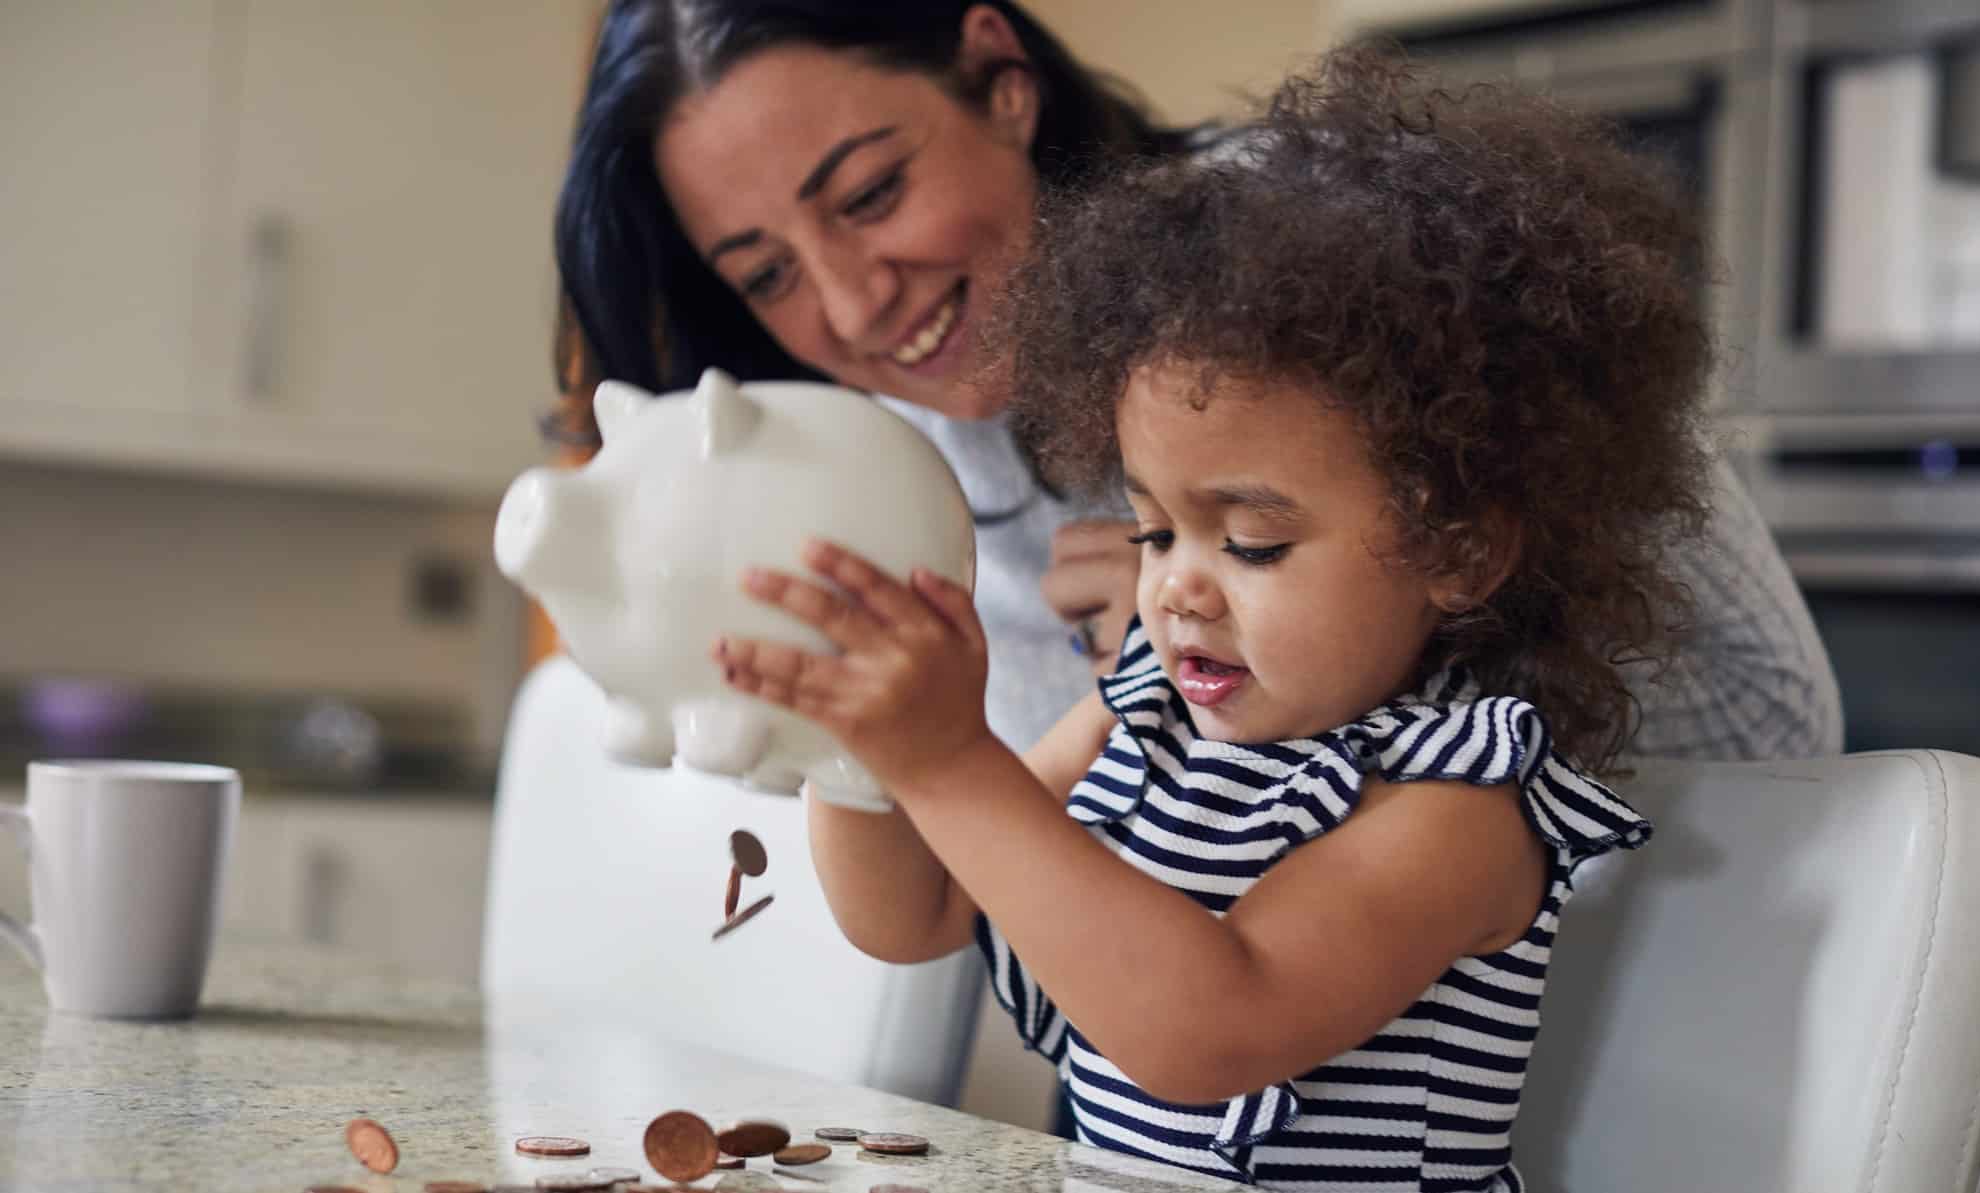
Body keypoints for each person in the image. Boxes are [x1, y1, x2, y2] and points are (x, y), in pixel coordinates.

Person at [709, 49, 1711, 1189]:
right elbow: (918, 908)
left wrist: (945, 755)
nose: (1177, 587)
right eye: (1152, 532)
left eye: (1253, 542)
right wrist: (856, 745)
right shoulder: (1135, 713)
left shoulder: (1454, 809)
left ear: (1459, 549)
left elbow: (1209, 1029)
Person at [548, 0, 1843, 763]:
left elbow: (1769, 720)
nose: (848, 303)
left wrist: (1309, 660)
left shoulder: (1322, 258)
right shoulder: (888, 461)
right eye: (765, 273)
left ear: (1000, 79)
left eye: (874, 194)